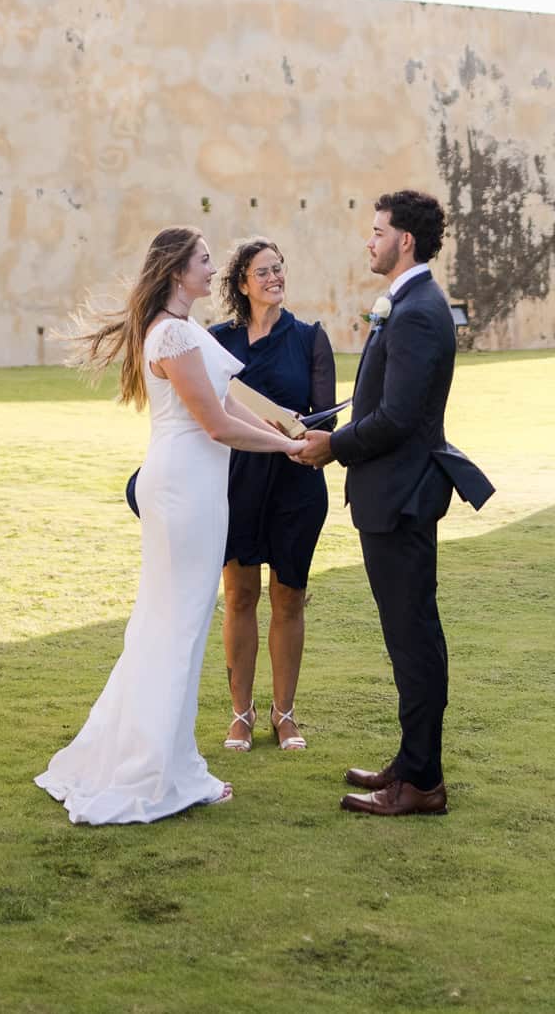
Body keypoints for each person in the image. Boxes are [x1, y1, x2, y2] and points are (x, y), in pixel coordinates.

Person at [36, 227, 302, 825]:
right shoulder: (174, 333)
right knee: (176, 626)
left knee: (176, 623)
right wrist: (284, 450)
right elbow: (215, 424)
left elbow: (232, 404)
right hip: (184, 486)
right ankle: (160, 771)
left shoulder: (186, 333)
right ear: (178, 271)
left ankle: (170, 760)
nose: (213, 270)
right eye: (204, 262)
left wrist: (286, 432)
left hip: (197, 487)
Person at [293, 189, 459, 817]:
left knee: (413, 638)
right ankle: (413, 763)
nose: (369, 240)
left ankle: (421, 782)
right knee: (407, 635)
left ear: (404, 241)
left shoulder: (417, 310)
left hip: (401, 496)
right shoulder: (411, 302)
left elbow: (395, 417)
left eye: (378, 231)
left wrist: (331, 446)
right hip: (392, 492)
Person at [208, 236, 336, 753]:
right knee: (239, 595)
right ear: (242, 284)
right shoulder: (217, 340)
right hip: (235, 481)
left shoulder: (310, 338)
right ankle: (241, 715)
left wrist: (301, 427)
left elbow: (328, 418)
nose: (274, 278)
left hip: (294, 483)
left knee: (288, 599)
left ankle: (285, 715)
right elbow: (206, 409)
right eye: (263, 272)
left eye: (279, 269)